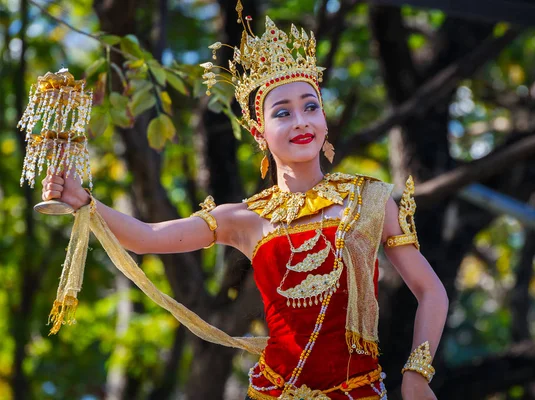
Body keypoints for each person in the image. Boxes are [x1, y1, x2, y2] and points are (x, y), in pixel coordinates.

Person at [41, 4, 448, 399]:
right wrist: (84, 200)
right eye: (283, 113)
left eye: (311, 107)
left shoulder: (370, 198)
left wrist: (417, 373)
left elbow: (430, 290)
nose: (302, 121)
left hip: (358, 392)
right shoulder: (243, 218)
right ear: (260, 131)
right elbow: (147, 236)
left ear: (324, 119)